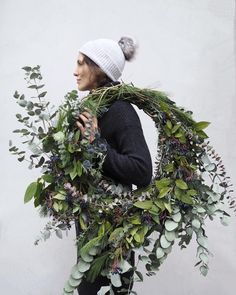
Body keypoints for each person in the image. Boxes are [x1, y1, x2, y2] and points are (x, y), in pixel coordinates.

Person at [73, 36, 152, 295]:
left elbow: (142, 170)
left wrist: (97, 146)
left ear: (99, 68)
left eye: (81, 63)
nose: (75, 71)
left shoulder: (119, 110)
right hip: (91, 239)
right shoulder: (94, 109)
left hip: (112, 242)